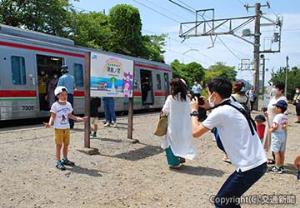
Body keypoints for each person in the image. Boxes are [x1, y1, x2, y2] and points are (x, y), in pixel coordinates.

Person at [191, 77, 267, 208]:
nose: (208, 97)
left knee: (221, 202)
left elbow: (196, 132)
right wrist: (206, 105)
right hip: (257, 162)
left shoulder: (220, 112)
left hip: (249, 166)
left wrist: (193, 111)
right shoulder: (234, 103)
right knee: (228, 201)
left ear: (214, 95)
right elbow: (218, 104)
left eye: (209, 94)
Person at [44, 86, 87, 171]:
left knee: (66, 145)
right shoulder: (55, 105)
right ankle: (58, 161)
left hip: (66, 128)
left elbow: (70, 115)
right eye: (62, 95)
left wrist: (80, 119)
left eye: (66, 94)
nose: (65, 96)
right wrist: (49, 124)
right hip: (58, 129)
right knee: (59, 145)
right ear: (58, 96)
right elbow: (52, 116)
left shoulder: (68, 104)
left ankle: (65, 159)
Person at [161, 78, 196, 168]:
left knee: (171, 142)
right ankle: (181, 157)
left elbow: (165, 110)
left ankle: (174, 163)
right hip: (185, 125)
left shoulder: (170, 98)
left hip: (173, 124)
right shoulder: (188, 98)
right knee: (182, 141)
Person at [264, 82, 288, 164]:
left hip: (277, 123)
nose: (274, 89)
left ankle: (278, 162)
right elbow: (270, 108)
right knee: (268, 140)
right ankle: (270, 158)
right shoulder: (273, 98)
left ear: (281, 90)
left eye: (276, 88)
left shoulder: (283, 99)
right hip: (269, 120)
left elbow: (284, 112)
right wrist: (266, 113)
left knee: (276, 142)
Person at [267, 100, 288, 174]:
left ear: (279, 108)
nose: (275, 108)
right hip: (283, 135)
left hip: (276, 136)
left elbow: (275, 126)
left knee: (276, 152)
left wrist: (270, 130)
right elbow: (285, 127)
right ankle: (281, 166)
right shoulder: (285, 116)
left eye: (276, 107)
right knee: (281, 152)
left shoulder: (277, 117)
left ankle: (277, 167)